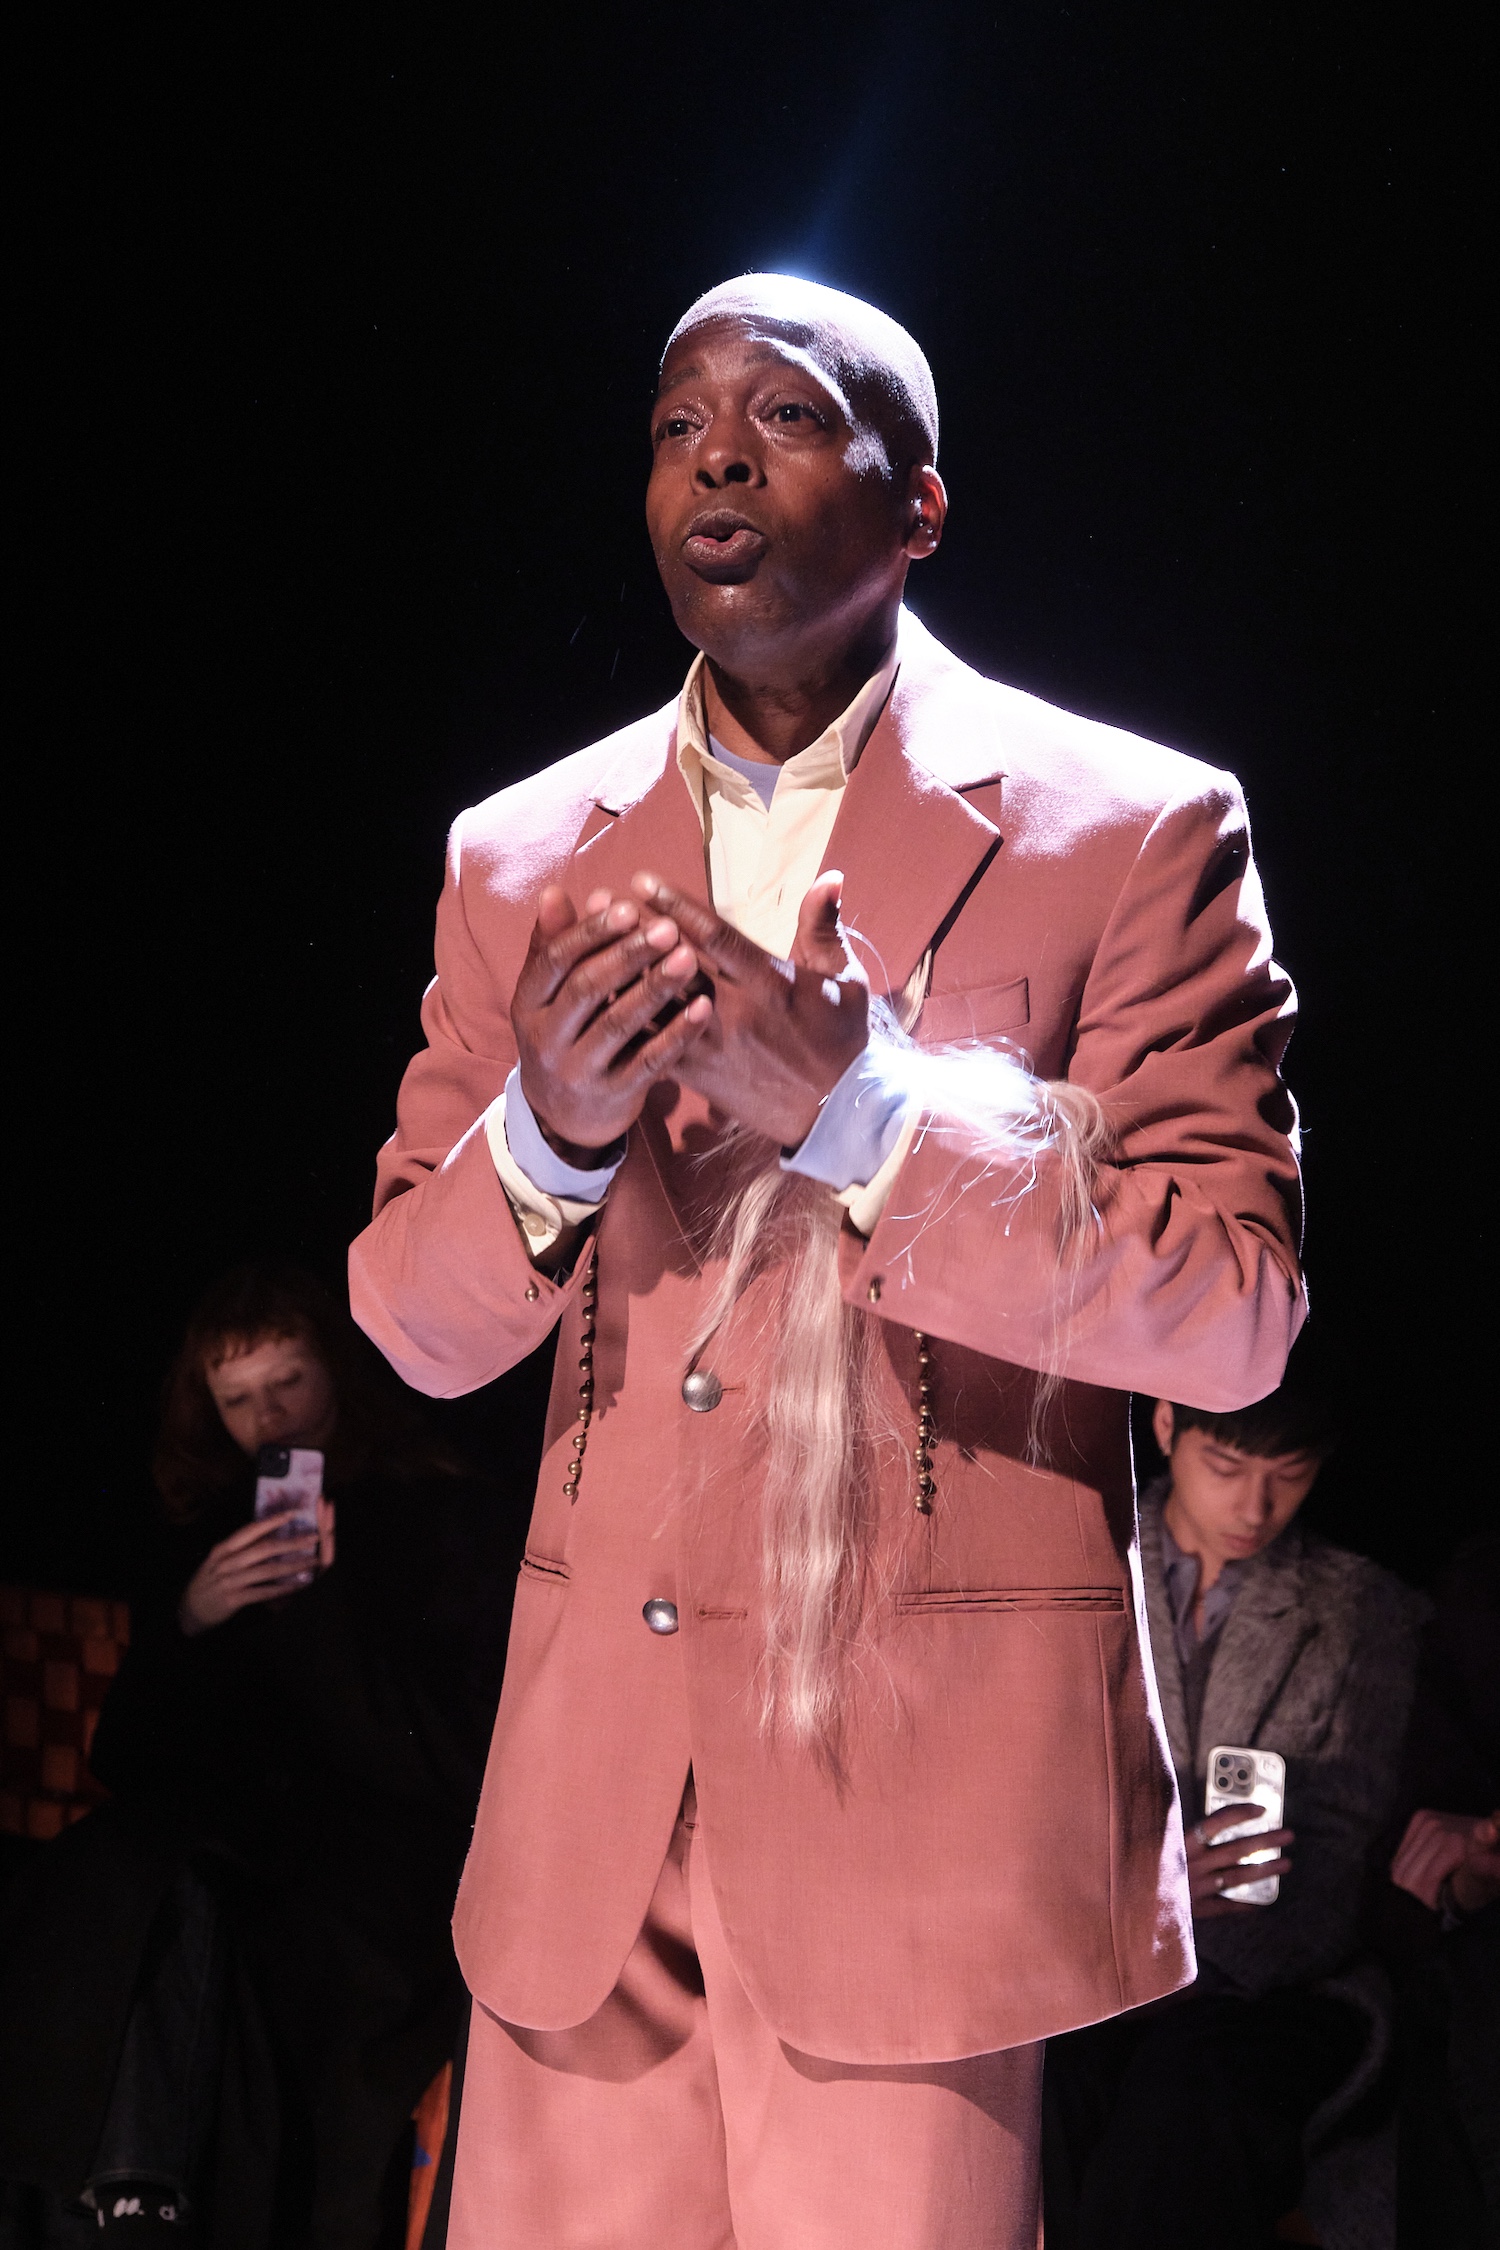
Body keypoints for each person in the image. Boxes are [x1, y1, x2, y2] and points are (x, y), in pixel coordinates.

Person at [348, 272, 1307, 2249]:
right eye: (677, 423)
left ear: (919, 504)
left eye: (785, 416)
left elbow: (1234, 1310)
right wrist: (546, 1133)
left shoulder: (1131, 828)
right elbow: (415, 1331)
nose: (717, 456)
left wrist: (871, 1116)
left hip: (917, 1829)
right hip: (587, 1843)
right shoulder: (521, 853)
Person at [0, 1263, 512, 2249]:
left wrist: (319, 1610)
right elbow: (127, 1756)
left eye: (288, 1383)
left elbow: (446, 1759)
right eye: (236, 1399)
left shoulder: (437, 1515)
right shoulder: (210, 1532)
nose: (268, 1418)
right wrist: (192, 1620)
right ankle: (125, 2191)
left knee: (237, 1931)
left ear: (336, 1373)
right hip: (227, 1849)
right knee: (112, 1879)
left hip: (375, 1862)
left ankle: (144, 2193)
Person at [1043, 1376, 1429, 2249]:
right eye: (1226, 1466)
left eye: (1290, 1474)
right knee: (1050, 2085)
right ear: (1166, 1425)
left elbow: (1329, 1872)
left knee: (1191, 2099)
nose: (1256, 1508)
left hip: (1275, 1985)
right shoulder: (1080, 1566)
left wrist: (1170, 1944)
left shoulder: (1358, 1608)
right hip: (1086, 1958)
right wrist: (1144, 1903)